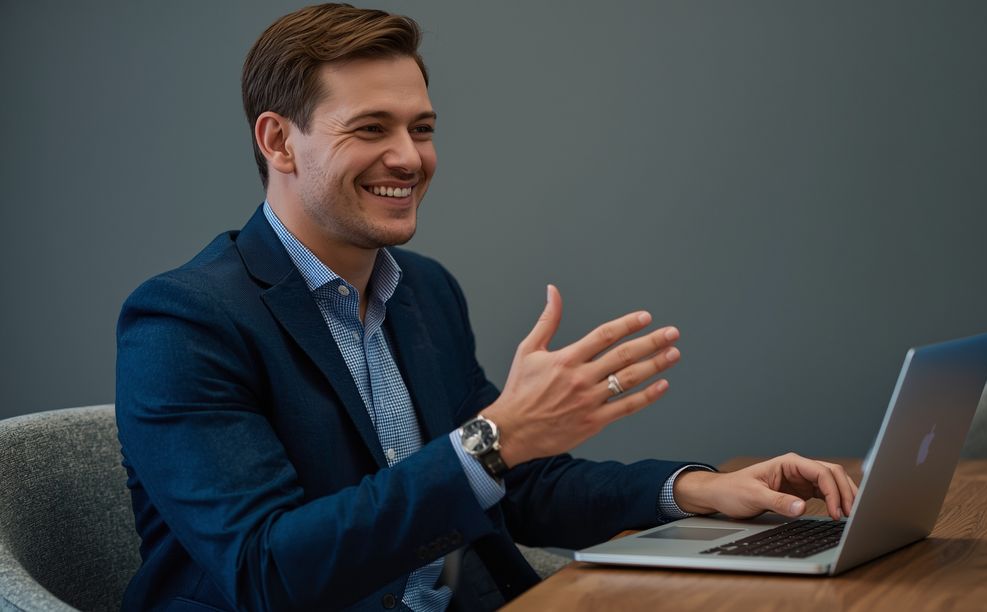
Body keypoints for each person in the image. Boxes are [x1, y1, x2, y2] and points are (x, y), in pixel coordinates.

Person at [115, 4, 857, 611]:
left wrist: (696, 490)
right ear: (279, 141)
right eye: (371, 128)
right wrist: (495, 437)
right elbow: (266, 572)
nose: (409, 157)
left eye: (422, 128)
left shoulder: (424, 290)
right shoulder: (185, 322)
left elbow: (515, 481)